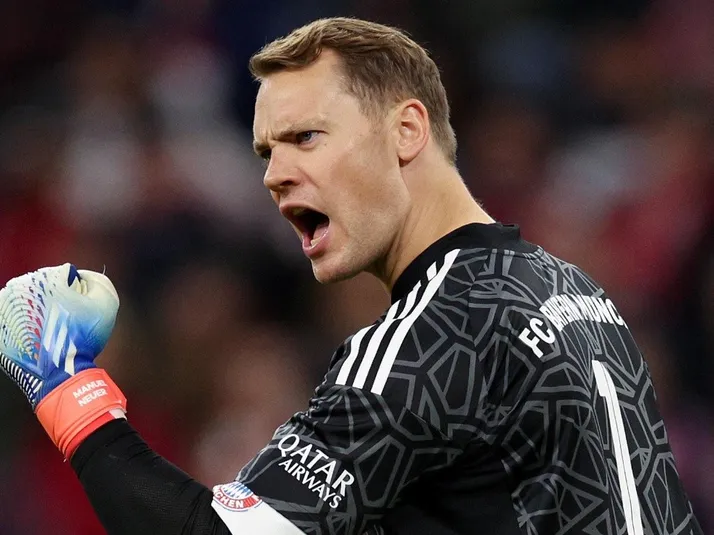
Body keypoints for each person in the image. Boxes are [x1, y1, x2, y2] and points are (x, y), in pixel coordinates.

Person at [0, 17, 703, 535]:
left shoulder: (433, 335)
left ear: (407, 131)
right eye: (266, 152)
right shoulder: (575, 292)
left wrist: (64, 387)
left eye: (306, 137)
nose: (275, 175)